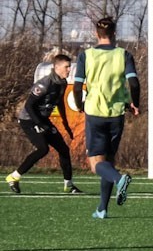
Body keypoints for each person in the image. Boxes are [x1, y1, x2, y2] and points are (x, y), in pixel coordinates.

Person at [73, 17, 140, 218]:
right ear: (114, 34)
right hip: (116, 114)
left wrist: (79, 105)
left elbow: (77, 86)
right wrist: (135, 103)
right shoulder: (124, 55)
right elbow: (134, 84)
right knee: (108, 161)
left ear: (96, 34)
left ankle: (120, 180)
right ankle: (102, 209)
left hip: (94, 113)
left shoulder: (86, 55)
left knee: (96, 165)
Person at [5, 54, 83, 194]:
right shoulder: (44, 84)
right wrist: (39, 124)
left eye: (69, 66)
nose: (69, 69)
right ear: (56, 67)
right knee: (43, 149)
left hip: (42, 120)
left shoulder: (62, 83)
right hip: (29, 120)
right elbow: (29, 106)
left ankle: (69, 185)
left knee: (63, 150)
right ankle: (14, 177)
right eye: (66, 66)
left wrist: (65, 124)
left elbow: (59, 103)